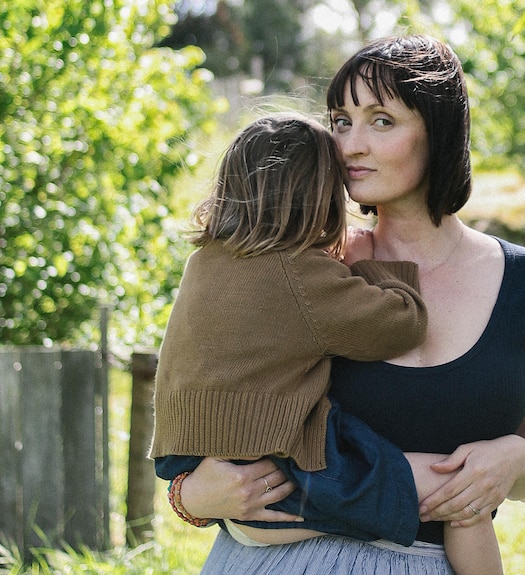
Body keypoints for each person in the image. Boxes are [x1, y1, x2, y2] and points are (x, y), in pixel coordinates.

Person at [173, 35, 525, 574]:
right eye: (341, 120)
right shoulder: (295, 269)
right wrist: (193, 495)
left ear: (439, 134)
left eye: (381, 121)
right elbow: (207, 398)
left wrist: (515, 460)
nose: (349, 145)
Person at [149, 112, 503, 573]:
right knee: (457, 490)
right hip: (280, 468)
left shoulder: (205, 261)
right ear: (319, 200)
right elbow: (403, 324)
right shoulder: (300, 274)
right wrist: (371, 261)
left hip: (201, 458)